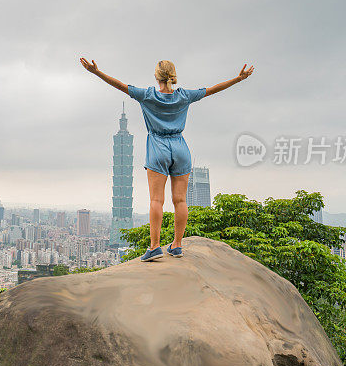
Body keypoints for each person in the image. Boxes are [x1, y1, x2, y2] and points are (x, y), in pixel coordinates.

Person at [79, 57, 254, 261]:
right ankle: (177, 245)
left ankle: (154, 247)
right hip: (180, 148)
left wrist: (96, 72)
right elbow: (212, 89)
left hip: (157, 147)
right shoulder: (184, 96)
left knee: (156, 200)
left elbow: (120, 85)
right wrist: (238, 79)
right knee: (180, 200)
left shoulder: (147, 95)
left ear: (156, 76)